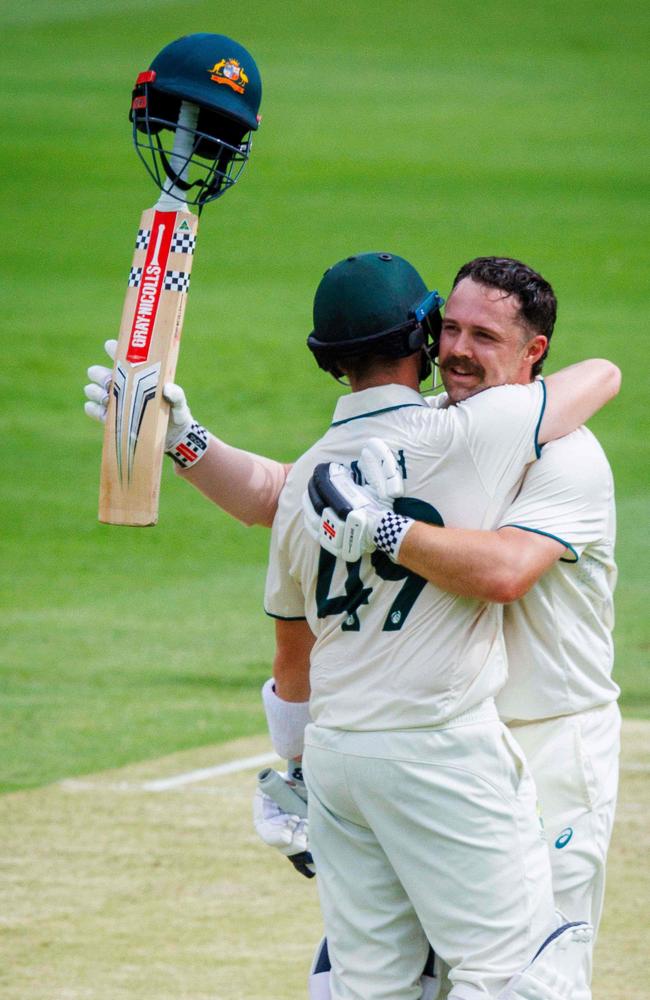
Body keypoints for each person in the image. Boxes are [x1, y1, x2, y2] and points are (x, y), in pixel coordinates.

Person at [84, 253, 620, 999]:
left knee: (526, 962)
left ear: (534, 352)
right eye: (451, 329)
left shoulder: (567, 452)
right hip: (450, 734)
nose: (458, 350)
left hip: (549, 736)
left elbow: (502, 571)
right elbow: (292, 491)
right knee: (465, 978)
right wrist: (185, 440)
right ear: (425, 332)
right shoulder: (439, 427)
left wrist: (382, 527)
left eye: (484, 336)